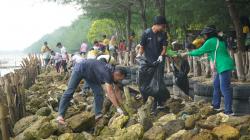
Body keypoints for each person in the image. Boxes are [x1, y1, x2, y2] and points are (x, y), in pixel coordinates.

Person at [181, 25, 235, 115]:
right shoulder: (219, 40)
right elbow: (216, 53)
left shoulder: (210, 41)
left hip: (223, 66)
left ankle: (229, 111)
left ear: (209, 34)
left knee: (225, 88)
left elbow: (199, 51)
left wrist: (187, 53)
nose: (204, 36)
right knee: (216, 85)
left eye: (205, 34)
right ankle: (215, 105)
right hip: (222, 65)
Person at [57, 59, 127, 124]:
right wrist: (118, 108)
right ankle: (60, 116)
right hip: (80, 68)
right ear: (117, 74)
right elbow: (110, 93)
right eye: (120, 79)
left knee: (99, 92)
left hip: (91, 74)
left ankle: (98, 115)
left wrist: (122, 105)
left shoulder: (114, 74)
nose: (120, 80)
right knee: (70, 91)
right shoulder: (108, 74)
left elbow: (117, 91)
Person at [136, 16, 169, 112]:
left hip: (159, 62)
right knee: (148, 82)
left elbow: (164, 48)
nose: (163, 28)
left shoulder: (163, 34)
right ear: (157, 25)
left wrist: (161, 56)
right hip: (148, 62)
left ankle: (159, 102)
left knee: (159, 81)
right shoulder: (146, 33)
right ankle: (148, 101)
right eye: (163, 26)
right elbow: (142, 47)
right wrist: (139, 55)